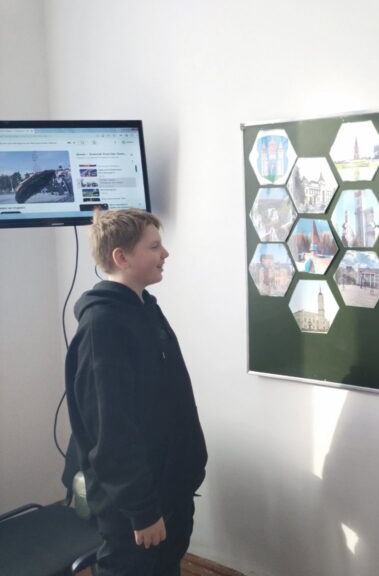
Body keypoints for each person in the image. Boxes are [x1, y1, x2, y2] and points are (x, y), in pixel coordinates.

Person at [65, 208, 207, 576]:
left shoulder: (145, 308)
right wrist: (142, 511)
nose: (165, 254)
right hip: (136, 508)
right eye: (154, 246)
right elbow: (110, 433)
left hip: (169, 492)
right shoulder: (102, 326)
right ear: (121, 257)